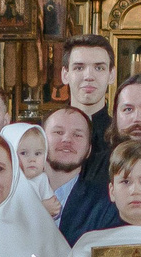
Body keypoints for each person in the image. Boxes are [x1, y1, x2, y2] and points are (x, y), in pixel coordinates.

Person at [45, 104, 121, 244]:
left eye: (77, 135)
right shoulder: (17, 196)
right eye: (58, 132)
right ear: (41, 141)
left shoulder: (105, 205)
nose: (67, 140)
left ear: (89, 150)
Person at [58, 33, 117, 156]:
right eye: (79, 68)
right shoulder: (44, 137)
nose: (89, 76)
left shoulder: (120, 138)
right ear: (65, 74)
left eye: (99, 68)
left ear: (111, 75)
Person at [1, 120, 59, 215]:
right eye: (24, 153)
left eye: (38, 153)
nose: (32, 159)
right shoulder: (6, 184)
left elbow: (53, 207)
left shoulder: (42, 179)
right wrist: (41, 209)